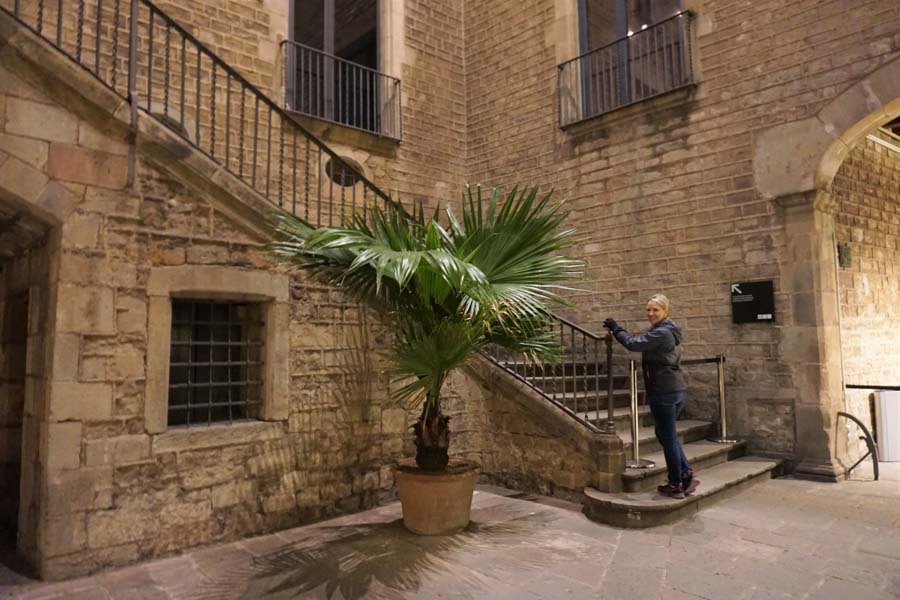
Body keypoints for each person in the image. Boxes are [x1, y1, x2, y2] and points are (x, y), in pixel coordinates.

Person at [603, 294, 699, 499]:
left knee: (667, 436)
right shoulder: (667, 329)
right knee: (665, 435)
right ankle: (686, 474)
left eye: (655, 310)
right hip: (672, 388)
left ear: (665, 311)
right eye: (648, 309)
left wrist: (616, 328)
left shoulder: (663, 332)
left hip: (665, 390)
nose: (650, 314)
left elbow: (634, 344)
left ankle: (676, 483)